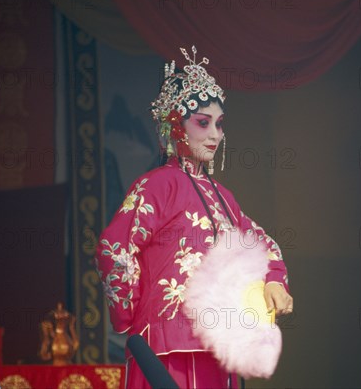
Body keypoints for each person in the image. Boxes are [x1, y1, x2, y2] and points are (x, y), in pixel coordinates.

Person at [95, 46, 293, 389]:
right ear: (175, 124)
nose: (215, 134)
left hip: (218, 346)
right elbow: (114, 248)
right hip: (166, 351)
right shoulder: (157, 185)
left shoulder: (225, 198)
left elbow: (265, 245)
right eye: (203, 122)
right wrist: (132, 323)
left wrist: (275, 279)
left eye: (219, 124)